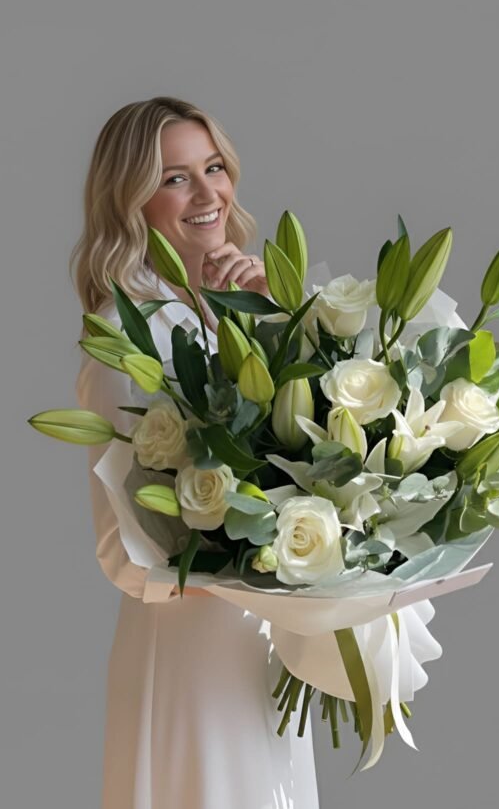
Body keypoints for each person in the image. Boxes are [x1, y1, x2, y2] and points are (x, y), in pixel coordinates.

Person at [72, 96, 321, 808]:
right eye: (176, 177)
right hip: (190, 660)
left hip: (264, 646)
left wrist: (278, 330)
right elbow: (123, 553)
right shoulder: (125, 335)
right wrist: (266, 564)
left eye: (214, 167)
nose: (209, 192)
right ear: (131, 200)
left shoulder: (228, 307)